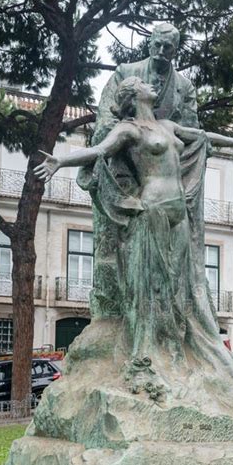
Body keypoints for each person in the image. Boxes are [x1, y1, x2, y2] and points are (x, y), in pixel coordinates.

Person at [34, 77, 233, 431]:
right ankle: (149, 353)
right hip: (154, 207)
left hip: (178, 213)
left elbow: (203, 138)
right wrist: (60, 162)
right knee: (153, 286)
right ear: (133, 96)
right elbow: (98, 153)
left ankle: (178, 348)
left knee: (177, 286)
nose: (150, 84)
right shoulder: (129, 131)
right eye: (142, 83)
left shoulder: (167, 125)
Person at [87, 23, 199, 318]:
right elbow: (106, 118)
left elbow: (193, 132)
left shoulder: (184, 87)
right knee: (123, 252)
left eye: (168, 48)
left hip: (169, 171)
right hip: (127, 165)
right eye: (157, 45)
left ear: (176, 50)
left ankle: (176, 315)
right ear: (149, 44)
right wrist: (129, 137)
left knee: (175, 263)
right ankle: (117, 308)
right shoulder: (126, 72)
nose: (161, 53)